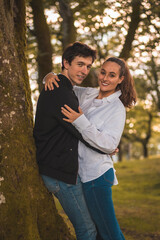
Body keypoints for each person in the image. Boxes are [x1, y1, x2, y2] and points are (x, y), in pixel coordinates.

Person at [44, 56, 137, 239]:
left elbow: (109, 144)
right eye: (103, 72)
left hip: (97, 176)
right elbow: (63, 85)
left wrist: (80, 121)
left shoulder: (117, 109)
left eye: (112, 75)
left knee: (109, 233)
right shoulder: (88, 94)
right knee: (98, 234)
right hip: (80, 174)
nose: (104, 78)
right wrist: (49, 75)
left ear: (120, 79)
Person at [33, 41, 110, 240]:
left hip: (64, 171)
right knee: (88, 230)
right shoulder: (60, 91)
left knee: (94, 226)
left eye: (88, 66)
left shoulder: (65, 88)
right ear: (66, 63)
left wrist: (49, 75)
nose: (84, 70)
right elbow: (81, 131)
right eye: (80, 64)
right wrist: (107, 147)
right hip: (60, 175)